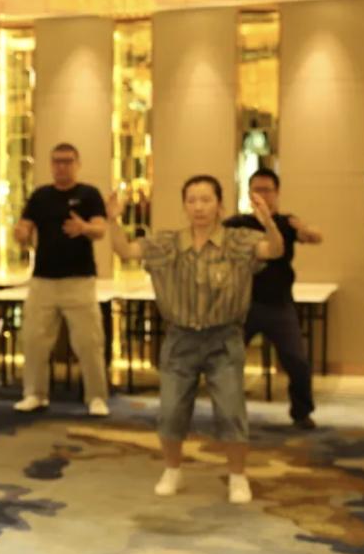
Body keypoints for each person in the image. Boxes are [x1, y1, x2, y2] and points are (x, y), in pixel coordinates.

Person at [106, 174, 283, 504]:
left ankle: (237, 476)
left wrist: (268, 223)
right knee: (171, 410)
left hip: (224, 338)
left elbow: (273, 250)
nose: (199, 207)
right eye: (192, 200)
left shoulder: (238, 241)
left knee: (230, 409)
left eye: (206, 200)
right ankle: (172, 469)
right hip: (180, 339)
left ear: (219, 205)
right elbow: (125, 250)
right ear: (184, 206)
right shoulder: (168, 243)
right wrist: (113, 220)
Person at [13, 143, 110, 416]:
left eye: (67, 161)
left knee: (89, 343)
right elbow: (24, 227)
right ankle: (35, 393)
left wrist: (84, 227)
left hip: (79, 281)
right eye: (56, 161)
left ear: (77, 164)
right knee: (34, 340)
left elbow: (100, 229)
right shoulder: (40, 196)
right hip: (43, 281)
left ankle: (96, 397)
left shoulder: (89, 194)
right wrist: (20, 234)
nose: (61, 167)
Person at [225, 168, 323, 430]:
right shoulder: (238, 223)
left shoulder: (286, 223)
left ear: (276, 192)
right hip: (243, 306)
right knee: (228, 361)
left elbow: (315, 236)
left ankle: (301, 413)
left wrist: (305, 228)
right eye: (256, 190)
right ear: (249, 194)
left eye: (267, 190)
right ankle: (229, 414)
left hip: (279, 305)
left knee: (297, 361)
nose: (262, 195)